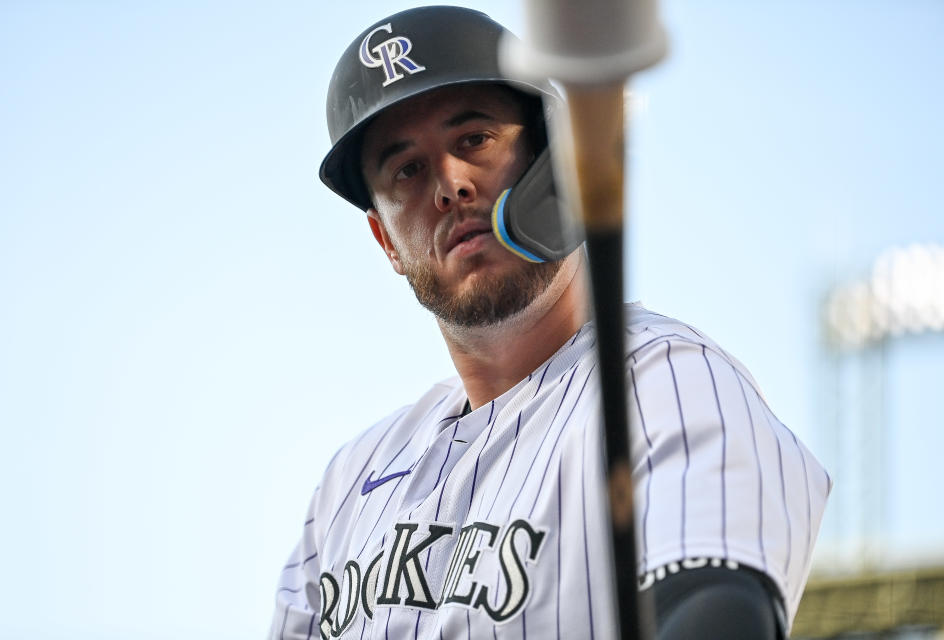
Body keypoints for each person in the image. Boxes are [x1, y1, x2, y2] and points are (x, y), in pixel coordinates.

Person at [270, 6, 830, 640]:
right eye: (408, 169)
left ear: (553, 163)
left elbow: (720, 614)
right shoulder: (349, 484)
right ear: (386, 242)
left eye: (473, 140)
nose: (449, 184)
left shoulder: (665, 382)